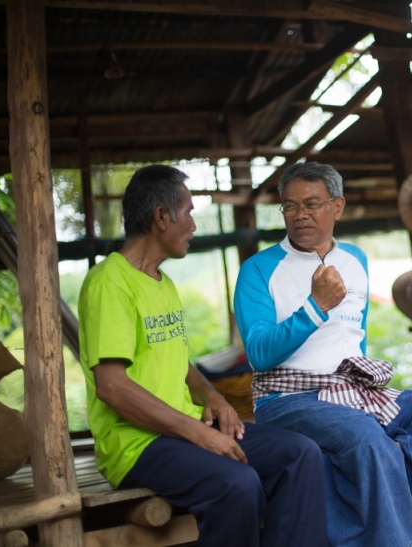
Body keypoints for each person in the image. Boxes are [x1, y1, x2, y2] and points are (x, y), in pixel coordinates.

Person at [233, 161, 412, 547]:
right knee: (368, 440)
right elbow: (259, 354)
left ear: (338, 207)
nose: (300, 215)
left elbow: (356, 340)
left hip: (355, 390)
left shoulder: (355, 260)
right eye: (290, 206)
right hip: (287, 399)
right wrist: (315, 307)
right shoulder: (258, 269)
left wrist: (361, 388)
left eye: (312, 204)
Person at [78, 165, 326, 547]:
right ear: (162, 217)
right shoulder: (108, 282)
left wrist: (214, 398)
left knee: (300, 453)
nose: (194, 225)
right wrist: (199, 434)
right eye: (189, 212)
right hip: (136, 446)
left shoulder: (162, 283)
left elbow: (180, 364)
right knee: (236, 484)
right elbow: (112, 387)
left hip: (183, 429)